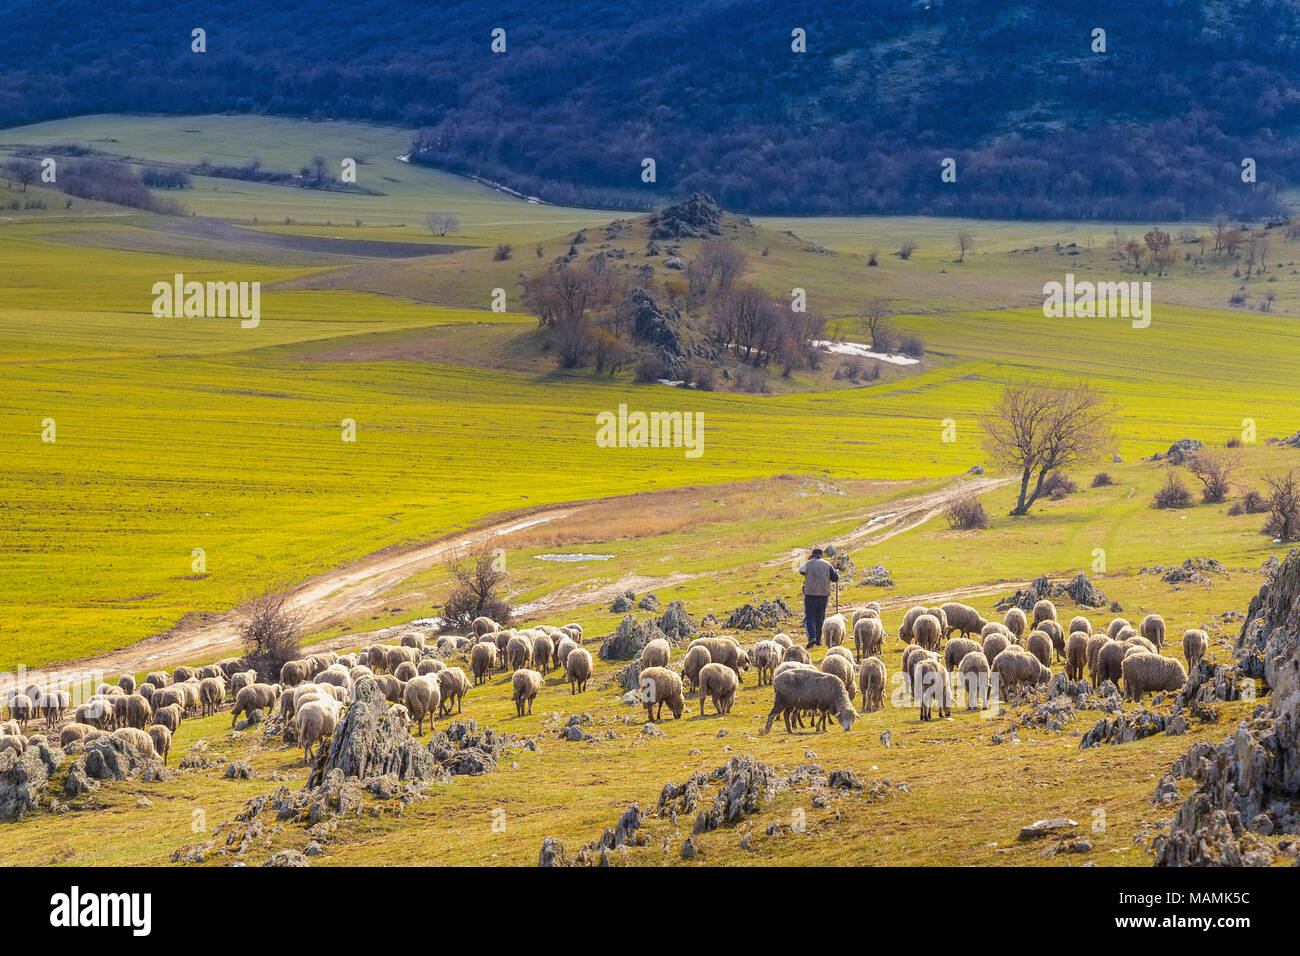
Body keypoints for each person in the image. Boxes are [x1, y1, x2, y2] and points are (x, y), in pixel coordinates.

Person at [798, 547, 839, 648]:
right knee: (820, 618)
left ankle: (812, 638)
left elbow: (801, 571)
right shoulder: (827, 564)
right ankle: (819, 640)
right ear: (821, 555)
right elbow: (835, 578)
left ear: (812, 555)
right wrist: (836, 572)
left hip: (810, 595)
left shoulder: (808, 563)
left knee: (809, 617)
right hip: (823, 595)